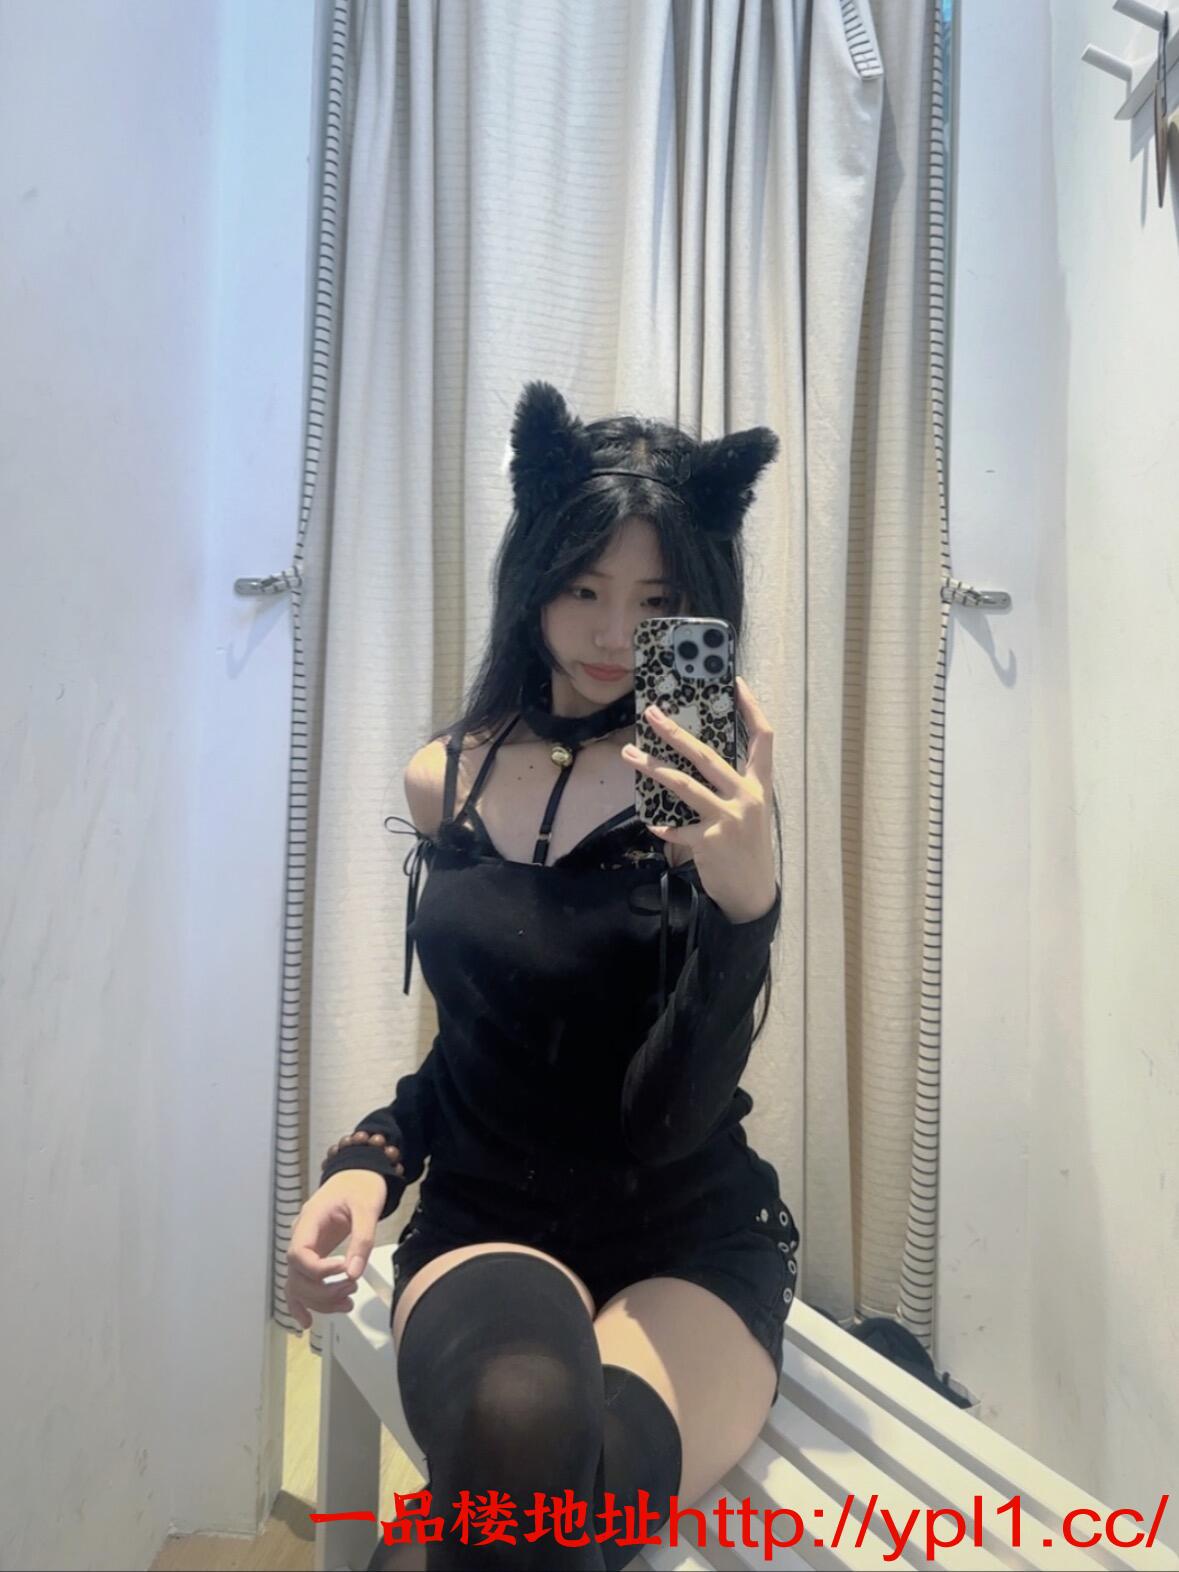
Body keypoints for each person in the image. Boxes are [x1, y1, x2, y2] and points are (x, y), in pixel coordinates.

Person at [286, 380, 801, 1570]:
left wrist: (746, 911)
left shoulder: (712, 805)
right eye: (583, 587)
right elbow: (484, 1047)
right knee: (519, 1423)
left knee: (521, 1519)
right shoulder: (447, 778)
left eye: (656, 602)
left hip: (686, 1233)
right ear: (533, 577)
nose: (615, 631)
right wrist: (371, 1161)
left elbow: (670, 1119)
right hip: (495, 1220)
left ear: (699, 609)